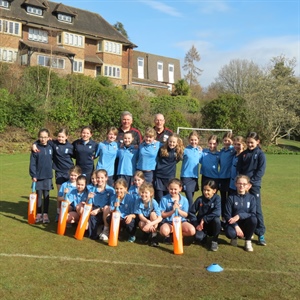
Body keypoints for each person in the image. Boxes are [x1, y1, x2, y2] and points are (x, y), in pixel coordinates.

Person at [237, 132, 267, 246]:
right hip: (242, 186)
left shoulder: (260, 155)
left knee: (257, 209)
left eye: (252, 142)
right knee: (241, 208)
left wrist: (250, 183)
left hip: (254, 186)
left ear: (257, 142)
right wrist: (243, 183)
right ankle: (242, 230)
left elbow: (260, 171)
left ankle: (260, 234)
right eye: (248, 142)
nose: (250, 144)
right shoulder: (243, 154)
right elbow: (239, 169)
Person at [224, 175, 257, 252]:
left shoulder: (251, 198)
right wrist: (236, 226)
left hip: (246, 223)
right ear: (235, 184)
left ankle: (248, 241)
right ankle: (234, 237)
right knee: (230, 233)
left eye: (244, 184)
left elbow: (253, 213)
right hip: (233, 224)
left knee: (254, 219)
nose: (241, 185)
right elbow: (227, 215)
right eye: (239, 183)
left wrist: (239, 216)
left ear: (248, 186)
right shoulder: (231, 197)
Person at [159, 178, 196, 244]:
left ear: (180, 188)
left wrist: (178, 210)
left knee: (192, 231)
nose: (173, 191)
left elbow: (186, 215)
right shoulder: (164, 199)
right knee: (163, 231)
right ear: (168, 188)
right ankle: (168, 235)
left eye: (175, 189)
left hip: (181, 222)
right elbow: (162, 215)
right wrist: (172, 211)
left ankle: (177, 235)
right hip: (168, 222)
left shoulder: (184, 200)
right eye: (171, 189)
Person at [189, 180, 221, 251]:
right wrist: (196, 224)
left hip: (212, 224)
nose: (205, 192)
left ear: (214, 191)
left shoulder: (217, 198)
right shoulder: (200, 199)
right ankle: (203, 236)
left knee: (217, 220)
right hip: (201, 226)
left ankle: (215, 241)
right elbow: (191, 212)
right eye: (204, 190)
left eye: (208, 190)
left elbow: (217, 212)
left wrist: (204, 219)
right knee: (198, 238)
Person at [29, 128, 53, 224]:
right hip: (38, 176)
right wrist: (33, 174)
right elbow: (32, 163)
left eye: (45, 137)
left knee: (46, 196)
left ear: (48, 138)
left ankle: (45, 214)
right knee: (39, 196)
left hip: (48, 176)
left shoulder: (51, 146)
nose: (43, 139)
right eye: (41, 137)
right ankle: (39, 214)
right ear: (39, 137)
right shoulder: (36, 148)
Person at [154, 133, 184, 203]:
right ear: (167, 141)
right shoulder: (162, 149)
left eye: (174, 142)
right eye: (170, 141)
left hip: (170, 177)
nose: (172, 143)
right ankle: (159, 213)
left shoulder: (178, 152)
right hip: (159, 176)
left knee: (169, 197)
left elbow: (177, 160)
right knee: (159, 198)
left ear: (177, 143)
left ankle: (168, 212)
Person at [107, 178, 137, 242]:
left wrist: (131, 216)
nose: (118, 190)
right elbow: (112, 211)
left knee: (130, 223)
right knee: (109, 218)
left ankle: (132, 234)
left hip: (126, 217)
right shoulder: (113, 197)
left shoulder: (130, 198)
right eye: (117, 188)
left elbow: (135, 214)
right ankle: (117, 232)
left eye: (121, 188)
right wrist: (115, 208)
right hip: (118, 217)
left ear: (125, 189)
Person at [88, 169, 115, 240]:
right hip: (94, 209)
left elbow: (111, 205)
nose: (99, 180)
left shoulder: (111, 190)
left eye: (102, 178)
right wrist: (88, 199)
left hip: (105, 211)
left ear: (106, 178)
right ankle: (97, 230)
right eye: (98, 178)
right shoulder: (92, 189)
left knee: (107, 208)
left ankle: (106, 229)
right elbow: (89, 203)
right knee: (92, 234)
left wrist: (99, 210)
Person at [134, 182, 162, 247]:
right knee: (141, 223)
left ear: (151, 193)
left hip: (153, 221)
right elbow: (140, 216)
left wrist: (150, 224)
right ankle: (146, 234)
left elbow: (160, 218)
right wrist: (147, 222)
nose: (143, 194)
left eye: (146, 193)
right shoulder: (138, 201)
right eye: (142, 192)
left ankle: (154, 236)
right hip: (144, 220)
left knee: (153, 214)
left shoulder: (154, 202)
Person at [180, 131, 203, 207]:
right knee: (189, 198)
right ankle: (191, 215)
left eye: (195, 140)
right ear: (189, 140)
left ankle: (187, 214)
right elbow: (178, 157)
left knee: (191, 198)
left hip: (195, 177)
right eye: (192, 140)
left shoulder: (199, 151)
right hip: (186, 177)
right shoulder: (185, 150)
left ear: (198, 140)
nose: (193, 142)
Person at [219, 132, 235, 218]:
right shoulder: (221, 151)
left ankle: (230, 218)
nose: (227, 142)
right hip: (222, 178)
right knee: (223, 199)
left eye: (229, 141)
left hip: (230, 178)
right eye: (225, 140)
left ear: (232, 141)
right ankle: (223, 218)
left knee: (230, 200)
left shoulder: (233, 150)